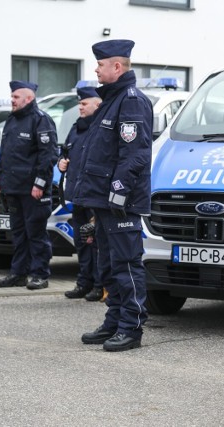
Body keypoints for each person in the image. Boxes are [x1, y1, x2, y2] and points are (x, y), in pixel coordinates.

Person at [74, 39, 153, 352]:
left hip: (122, 202)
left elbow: (134, 154)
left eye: (101, 64)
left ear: (117, 67)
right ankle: (114, 320)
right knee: (108, 264)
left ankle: (131, 327)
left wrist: (119, 193)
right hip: (103, 201)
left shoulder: (131, 100)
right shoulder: (111, 99)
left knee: (126, 264)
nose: (96, 69)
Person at [0, 81, 57, 290]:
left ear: (29, 98)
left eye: (16, 97)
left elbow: (48, 156)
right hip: (13, 188)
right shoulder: (11, 120)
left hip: (33, 190)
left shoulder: (41, 121)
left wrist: (40, 183)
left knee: (36, 234)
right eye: (12, 96)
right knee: (18, 234)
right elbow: (5, 154)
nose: (12, 100)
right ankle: (18, 273)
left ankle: (40, 275)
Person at [58, 86, 104, 302]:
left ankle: (99, 284)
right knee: (81, 241)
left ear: (97, 104)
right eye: (79, 104)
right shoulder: (76, 128)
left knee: (95, 243)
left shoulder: (102, 127)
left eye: (84, 104)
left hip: (94, 196)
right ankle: (83, 282)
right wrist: (61, 164)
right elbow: (64, 152)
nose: (80, 108)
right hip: (76, 194)